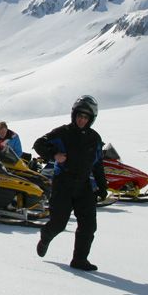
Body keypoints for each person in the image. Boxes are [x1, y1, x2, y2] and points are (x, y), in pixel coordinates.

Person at [33, 95, 108, 272]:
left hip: (84, 186)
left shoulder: (94, 138)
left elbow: (98, 164)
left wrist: (103, 186)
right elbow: (39, 144)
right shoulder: (62, 132)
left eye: (85, 117)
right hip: (63, 184)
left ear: (91, 119)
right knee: (59, 223)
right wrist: (54, 155)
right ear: (74, 115)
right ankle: (46, 236)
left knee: (89, 225)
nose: (81, 120)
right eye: (79, 116)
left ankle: (79, 259)